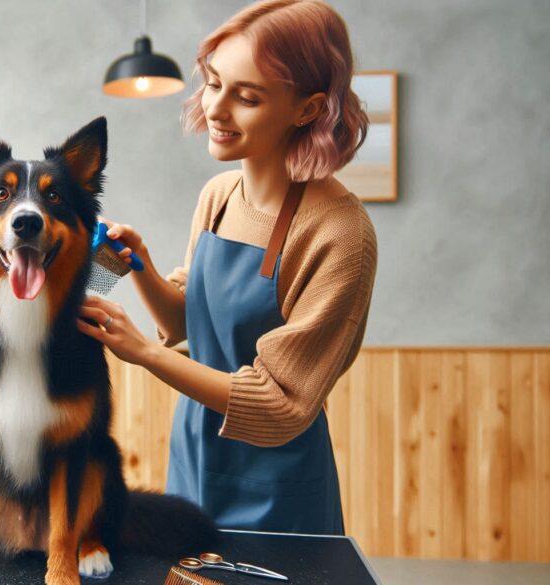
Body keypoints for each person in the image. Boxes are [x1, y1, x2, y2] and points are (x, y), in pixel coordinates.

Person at [75, 0, 377, 534]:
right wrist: (140, 267)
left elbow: (279, 404)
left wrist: (143, 353)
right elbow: (191, 326)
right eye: (214, 83)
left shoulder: (340, 234)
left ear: (306, 109)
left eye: (248, 96)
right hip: (193, 455)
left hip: (274, 484)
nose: (216, 109)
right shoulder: (218, 196)